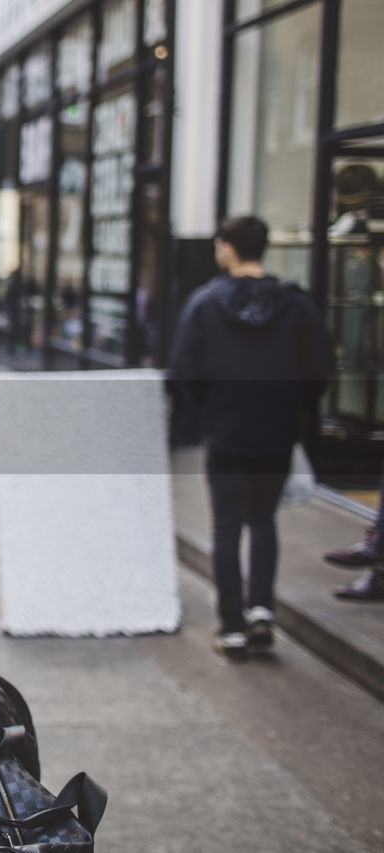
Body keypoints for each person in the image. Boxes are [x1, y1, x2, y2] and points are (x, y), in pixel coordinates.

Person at [170, 215, 334, 659]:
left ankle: (232, 628)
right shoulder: (296, 304)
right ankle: (261, 607)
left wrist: (210, 411)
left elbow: (185, 370)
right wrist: (293, 409)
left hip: (225, 428)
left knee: (226, 527)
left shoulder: (205, 303)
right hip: (276, 428)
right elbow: (319, 368)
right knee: (263, 520)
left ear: (226, 247)